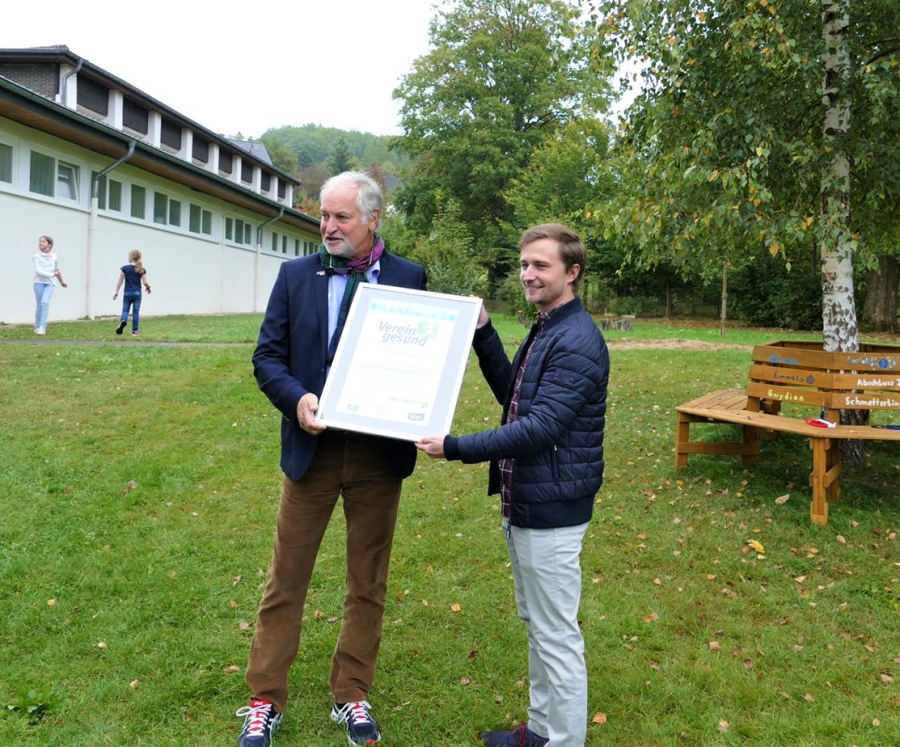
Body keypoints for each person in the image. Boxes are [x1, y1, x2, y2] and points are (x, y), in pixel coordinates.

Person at [236, 171, 427, 747]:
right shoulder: (295, 275)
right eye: (323, 215)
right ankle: (264, 700)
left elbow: (418, 362)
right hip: (311, 454)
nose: (328, 227)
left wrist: (419, 406)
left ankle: (352, 695)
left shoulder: (408, 278)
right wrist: (296, 400)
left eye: (341, 217)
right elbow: (267, 357)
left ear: (373, 219)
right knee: (285, 580)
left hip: (376, 458)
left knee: (366, 583)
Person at [416, 224, 609, 747]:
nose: (528, 273)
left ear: (572, 273)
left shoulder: (577, 339)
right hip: (528, 500)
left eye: (541, 265)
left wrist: (455, 446)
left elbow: (541, 427)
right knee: (539, 626)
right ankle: (540, 732)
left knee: (556, 635)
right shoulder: (548, 326)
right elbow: (514, 396)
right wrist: (482, 331)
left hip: (553, 507)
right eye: (524, 264)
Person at [32, 235, 67, 335]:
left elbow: (57, 271)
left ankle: (43, 327)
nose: (40, 243)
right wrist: (52, 274)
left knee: (45, 302)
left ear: (49, 244)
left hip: (50, 284)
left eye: (43, 241)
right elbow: (38, 271)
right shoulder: (36, 257)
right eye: (40, 241)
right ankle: (37, 326)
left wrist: (61, 282)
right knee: (39, 305)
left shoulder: (54, 257)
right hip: (38, 283)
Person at [113, 249, 152, 336]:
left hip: (127, 293)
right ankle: (135, 331)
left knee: (125, 310)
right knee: (136, 312)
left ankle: (123, 320)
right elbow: (145, 282)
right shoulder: (141, 269)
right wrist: (148, 287)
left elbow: (120, 280)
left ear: (130, 257)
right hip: (137, 293)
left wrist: (116, 292)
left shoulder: (125, 268)